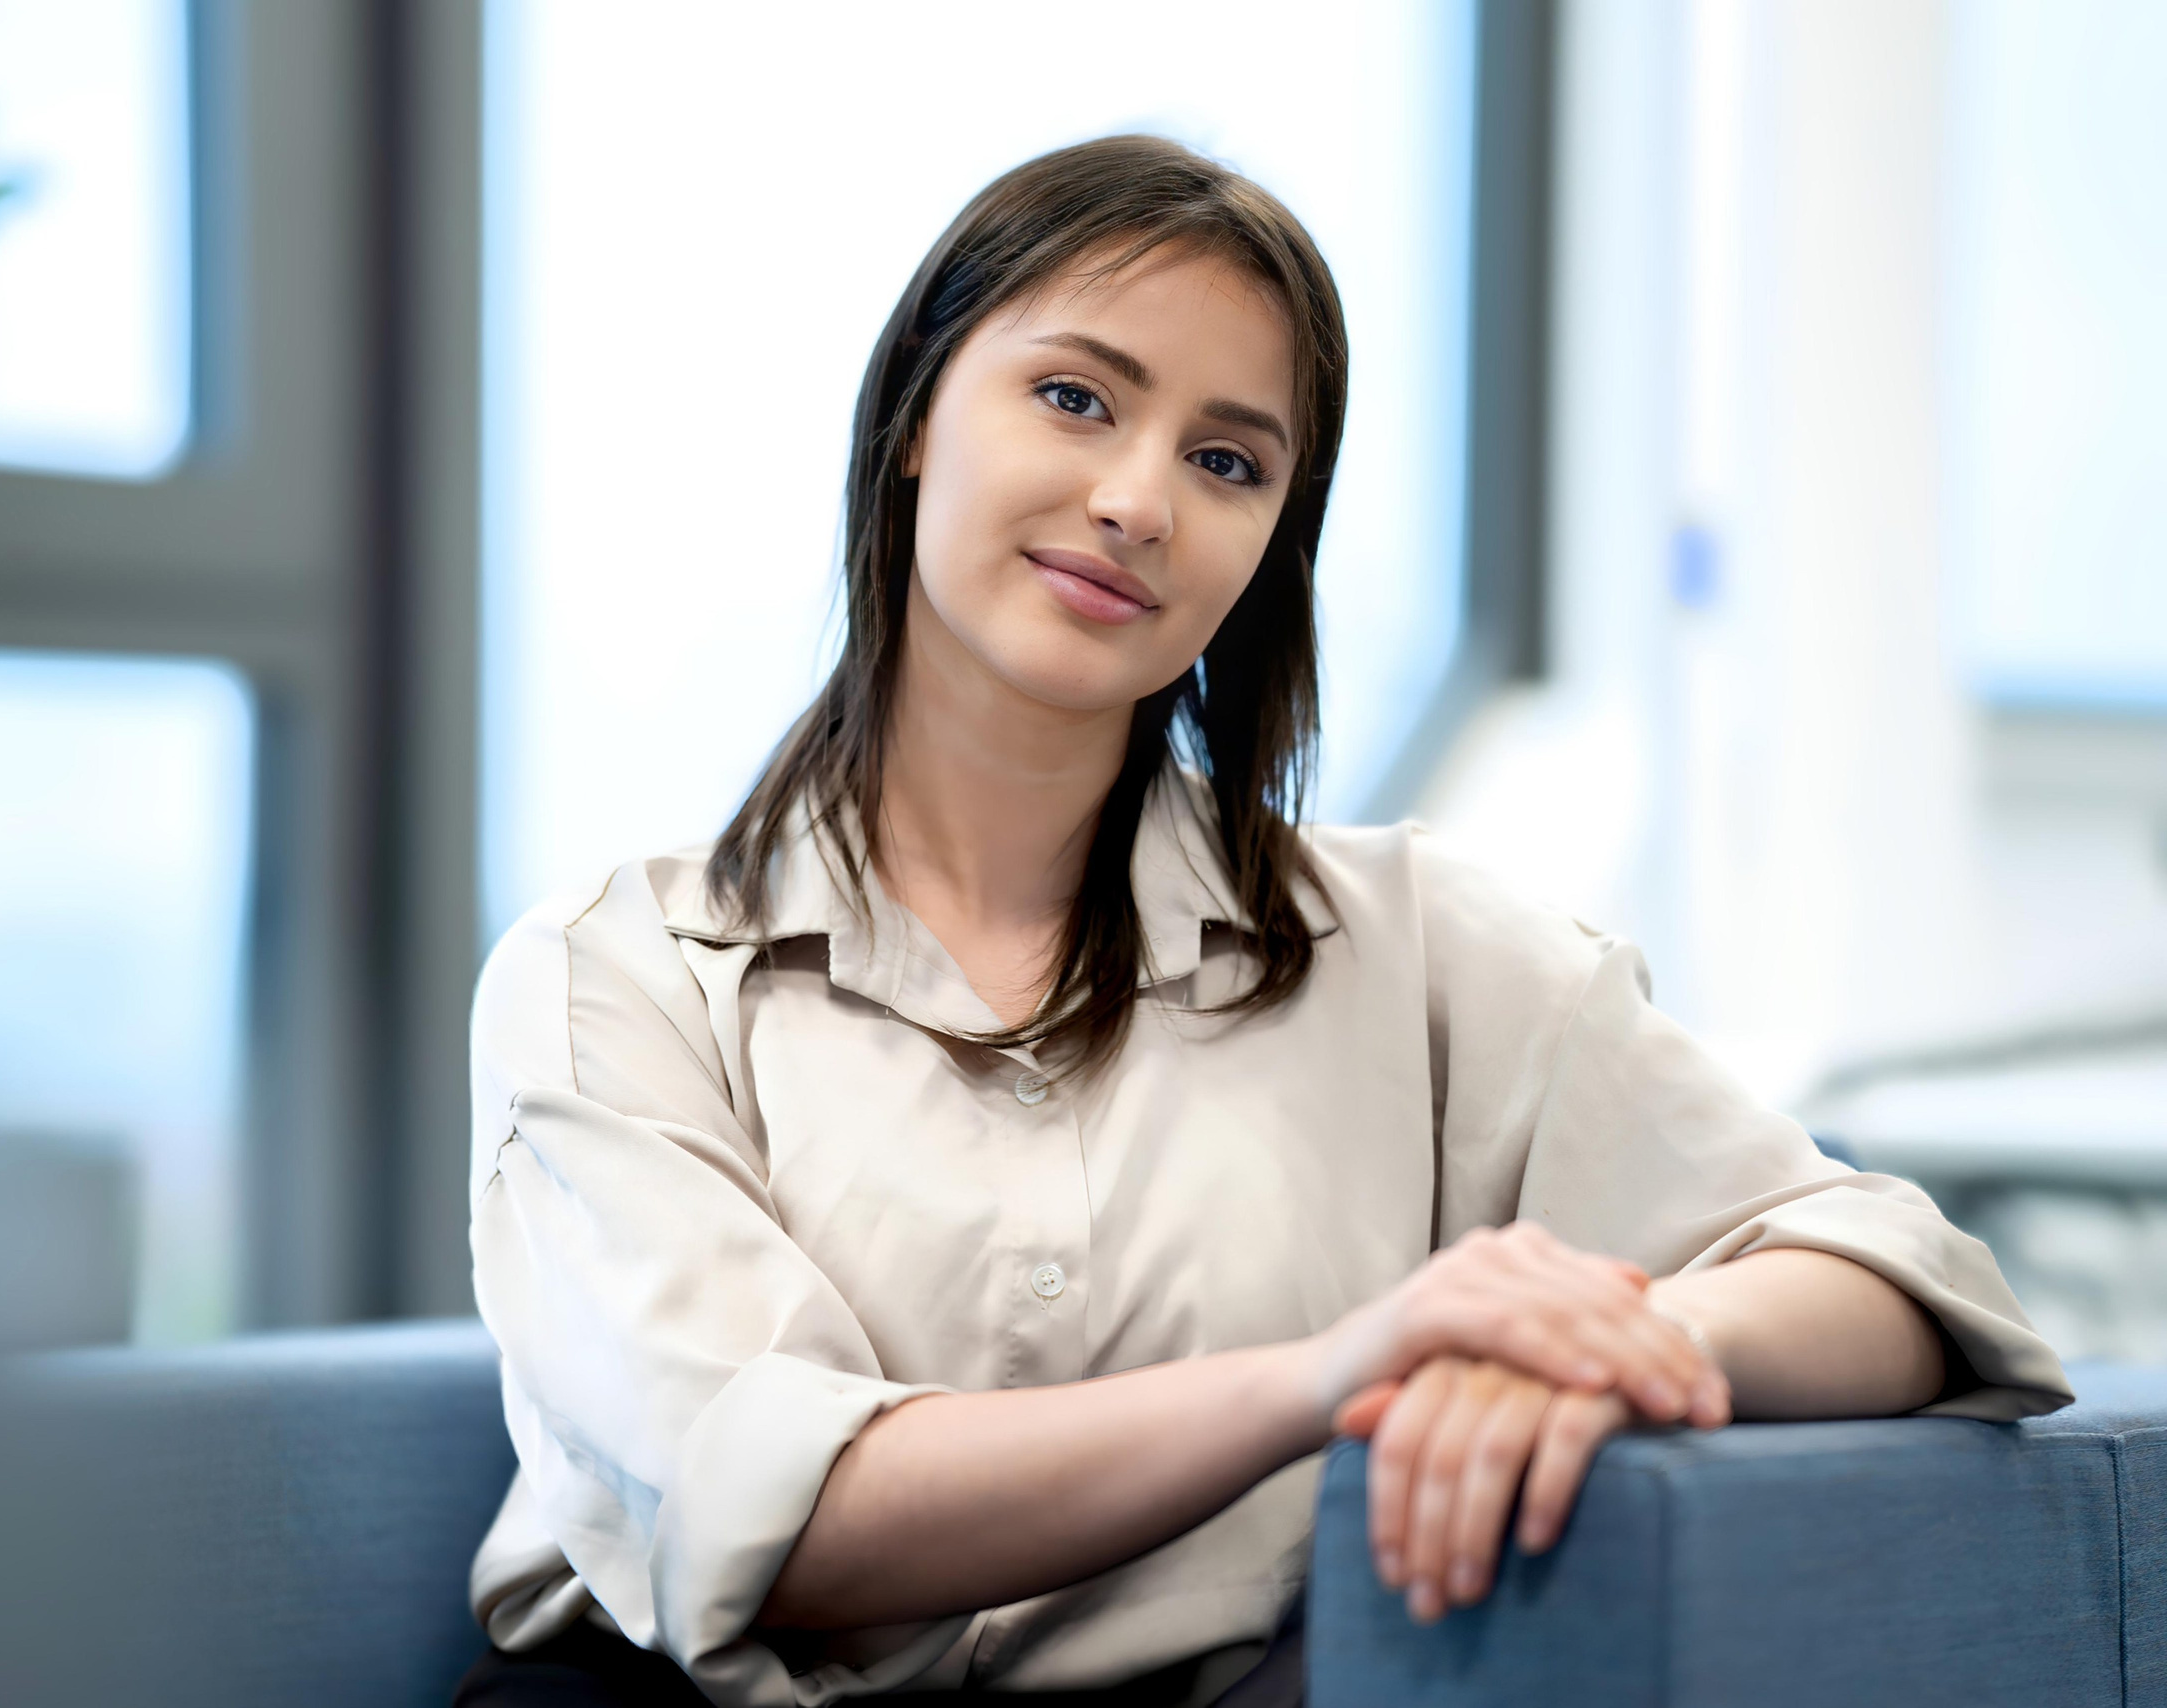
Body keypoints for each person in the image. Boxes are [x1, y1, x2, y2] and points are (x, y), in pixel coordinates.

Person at [452, 136, 2067, 1708]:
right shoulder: (617, 975)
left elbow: (1897, 1279)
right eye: (1075, 397)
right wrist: (1339, 1373)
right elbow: (788, 1525)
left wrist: (1585, 1343)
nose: (1140, 501)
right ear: (916, 422)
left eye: (1229, 462)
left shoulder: (1417, 944)